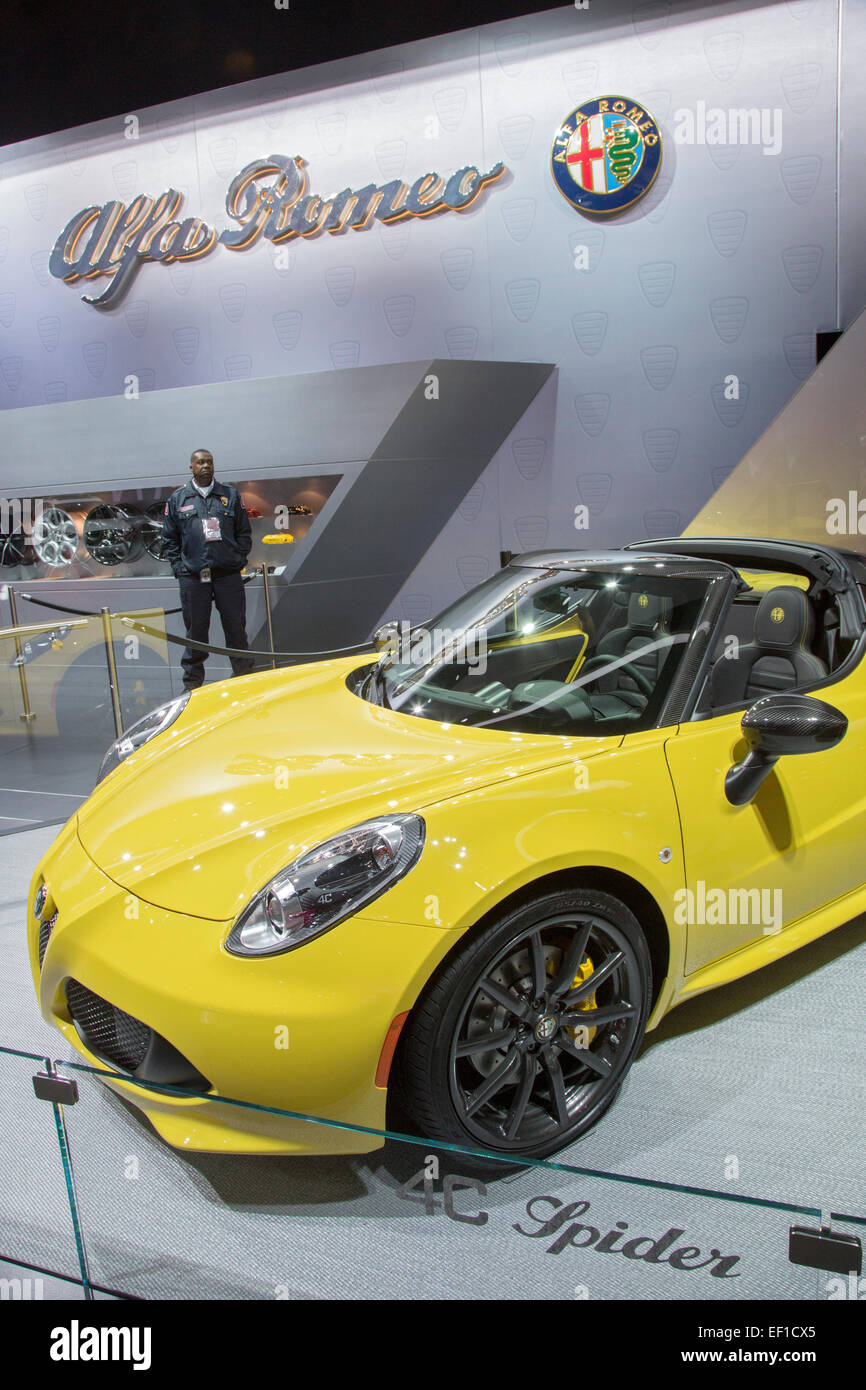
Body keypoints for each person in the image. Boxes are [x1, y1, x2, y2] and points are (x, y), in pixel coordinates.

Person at [162, 449, 255, 690]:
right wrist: (179, 568)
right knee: (196, 631)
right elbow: (169, 539)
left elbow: (244, 533)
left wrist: (237, 560)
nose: (206, 466)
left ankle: (245, 678)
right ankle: (192, 685)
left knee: (236, 628)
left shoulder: (230, 495)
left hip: (228, 576)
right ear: (191, 467)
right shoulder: (178, 499)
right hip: (194, 578)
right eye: (200, 462)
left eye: (209, 462)